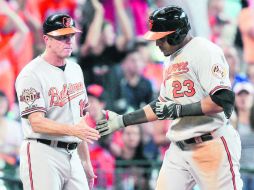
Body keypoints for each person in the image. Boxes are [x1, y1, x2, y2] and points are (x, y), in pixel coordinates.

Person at [96, 5, 243, 190]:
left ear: (177, 34)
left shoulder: (205, 50)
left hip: (211, 143)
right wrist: (122, 121)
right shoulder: (171, 59)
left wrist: (179, 109)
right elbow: (161, 105)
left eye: (161, 38)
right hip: (179, 147)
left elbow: (223, 100)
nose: (157, 43)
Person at [15, 13, 101, 190]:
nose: (69, 41)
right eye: (62, 37)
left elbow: (80, 121)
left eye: (71, 36)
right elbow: (37, 122)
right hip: (43, 152)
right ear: (47, 39)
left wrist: (85, 161)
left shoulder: (76, 69)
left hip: (72, 153)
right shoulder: (31, 74)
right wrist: (73, 130)